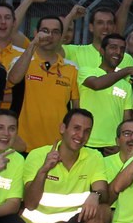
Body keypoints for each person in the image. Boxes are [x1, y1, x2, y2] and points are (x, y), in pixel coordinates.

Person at [20, 109, 110, 223]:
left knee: (104, 211)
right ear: (63, 128)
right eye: (76, 128)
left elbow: (103, 191)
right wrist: (43, 171)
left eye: (87, 131)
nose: (81, 135)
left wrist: (96, 195)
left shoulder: (94, 156)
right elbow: (29, 203)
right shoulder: (38, 155)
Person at [6, 14, 79, 152]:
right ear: (36, 33)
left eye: (55, 32)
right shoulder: (21, 61)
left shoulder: (72, 68)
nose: (50, 36)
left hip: (56, 148)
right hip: (22, 145)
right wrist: (33, 44)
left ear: (61, 36)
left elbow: (75, 108)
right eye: (45, 31)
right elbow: (13, 79)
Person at [79, 33, 133, 152]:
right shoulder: (86, 72)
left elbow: (126, 121)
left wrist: (122, 146)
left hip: (113, 147)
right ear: (102, 51)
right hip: (86, 143)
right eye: (113, 47)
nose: (118, 52)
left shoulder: (126, 85)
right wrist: (127, 70)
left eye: (122, 49)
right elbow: (96, 84)